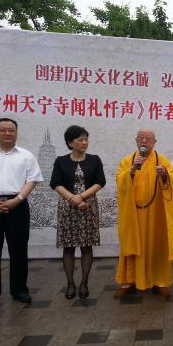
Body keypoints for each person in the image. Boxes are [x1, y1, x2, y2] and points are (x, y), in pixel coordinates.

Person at [114, 129, 173, 297]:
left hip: (156, 215)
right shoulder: (128, 161)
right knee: (131, 247)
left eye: (148, 139)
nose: (144, 141)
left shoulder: (163, 161)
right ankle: (129, 281)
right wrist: (131, 170)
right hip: (133, 214)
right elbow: (119, 180)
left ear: (154, 142)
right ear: (136, 141)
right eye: (141, 138)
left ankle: (159, 281)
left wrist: (165, 175)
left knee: (157, 247)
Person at [0, 118, 43, 307]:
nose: (8, 133)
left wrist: (16, 200)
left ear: (16, 133)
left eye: (11, 130)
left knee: (18, 249)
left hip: (17, 205)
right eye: (3, 130)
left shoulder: (26, 156)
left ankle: (19, 289)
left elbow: (32, 180)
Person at [50, 126, 106, 299]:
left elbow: (100, 182)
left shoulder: (94, 160)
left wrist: (81, 197)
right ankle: (70, 283)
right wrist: (72, 199)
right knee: (68, 247)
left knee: (86, 246)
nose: (84, 143)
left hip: (88, 207)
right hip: (68, 208)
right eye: (80, 140)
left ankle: (84, 282)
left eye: (85, 139)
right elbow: (56, 183)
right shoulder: (61, 161)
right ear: (69, 142)